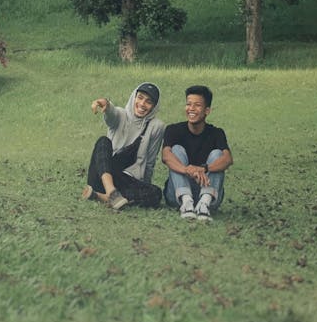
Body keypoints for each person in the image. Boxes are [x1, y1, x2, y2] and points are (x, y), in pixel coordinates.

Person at [81, 83, 164, 211]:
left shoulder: (156, 126)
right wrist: (106, 105)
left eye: (148, 101)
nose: (142, 104)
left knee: (156, 193)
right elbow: (111, 113)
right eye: (140, 97)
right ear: (134, 97)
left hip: (124, 181)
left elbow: (150, 162)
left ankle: (100, 197)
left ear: (154, 106)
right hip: (101, 176)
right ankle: (111, 192)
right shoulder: (121, 115)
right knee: (103, 141)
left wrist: (144, 186)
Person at [162, 85, 233, 222]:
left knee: (218, 154)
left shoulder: (216, 133)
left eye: (197, 105)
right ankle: (186, 202)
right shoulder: (173, 130)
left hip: (207, 191)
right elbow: (166, 156)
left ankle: (204, 205)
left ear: (207, 110)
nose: (191, 109)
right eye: (188, 104)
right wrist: (187, 169)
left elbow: (228, 159)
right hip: (176, 193)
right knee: (176, 150)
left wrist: (204, 169)